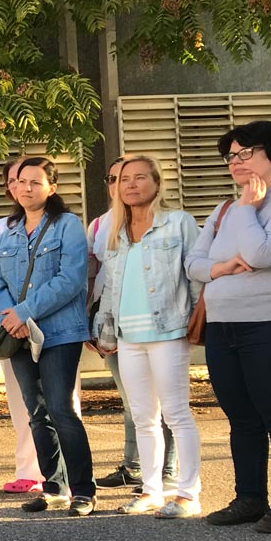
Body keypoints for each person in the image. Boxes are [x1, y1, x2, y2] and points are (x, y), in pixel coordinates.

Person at [187, 120, 271, 533]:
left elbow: (262, 254)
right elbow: (193, 264)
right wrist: (222, 267)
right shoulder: (223, 209)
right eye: (230, 156)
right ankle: (249, 498)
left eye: (245, 153)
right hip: (223, 326)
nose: (235, 162)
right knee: (240, 417)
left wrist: (247, 208)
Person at [94, 155, 202, 518]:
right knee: (143, 416)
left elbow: (195, 276)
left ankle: (188, 493)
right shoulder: (114, 230)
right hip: (128, 336)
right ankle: (151, 490)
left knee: (176, 413)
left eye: (140, 177)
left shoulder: (179, 223)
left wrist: (198, 320)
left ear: (157, 183)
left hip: (169, 330)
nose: (131, 184)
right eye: (124, 178)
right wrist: (105, 330)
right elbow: (110, 286)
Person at [0, 156, 97, 516]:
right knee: (35, 412)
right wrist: (10, 318)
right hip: (19, 335)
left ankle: (84, 490)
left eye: (35, 182)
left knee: (61, 409)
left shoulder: (68, 225)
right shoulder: (9, 231)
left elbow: (71, 279)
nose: (26, 188)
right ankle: (54, 487)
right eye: (21, 181)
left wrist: (24, 312)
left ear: (52, 187)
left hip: (59, 332)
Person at [88, 156, 177, 493]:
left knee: (165, 402)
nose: (121, 185)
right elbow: (94, 276)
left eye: (129, 177)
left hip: (159, 325)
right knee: (132, 400)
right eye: (114, 179)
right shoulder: (100, 225)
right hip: (116, 323)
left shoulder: (169, 222)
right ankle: (133, 465)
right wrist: (93, 323)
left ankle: (169, 469)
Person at [0, 158, 43, 494]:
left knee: (62, 401)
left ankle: (64, 472)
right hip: (11, 323)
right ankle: (29, 470)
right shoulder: (5, 225)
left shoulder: (61, 223)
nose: (21, 186)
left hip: (52, 321)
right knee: (21, 399)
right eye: (14, 180)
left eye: (28, 179)